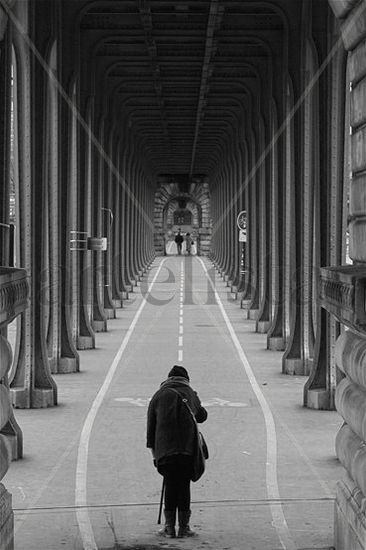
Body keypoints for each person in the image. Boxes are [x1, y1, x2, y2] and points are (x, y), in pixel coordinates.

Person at [146, 365, 208, 538]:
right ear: (186, 379)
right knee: (184, 486)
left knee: (170, 485)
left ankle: (169, 527)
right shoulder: (189, 393)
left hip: (165, 450)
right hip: (188, 450)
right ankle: (184, 527)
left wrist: (154, 454)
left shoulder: (158, 396)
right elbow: (202, 416)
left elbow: (150, 430)